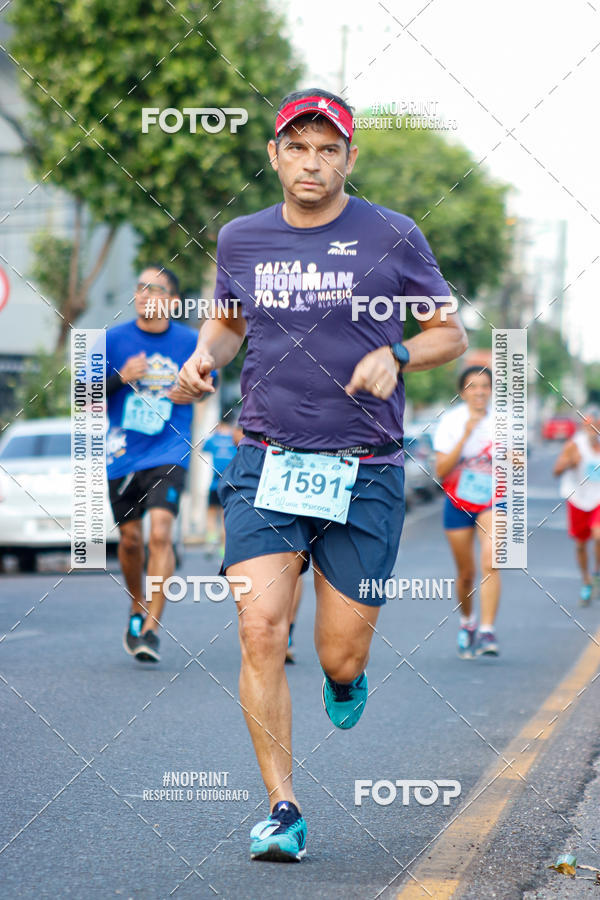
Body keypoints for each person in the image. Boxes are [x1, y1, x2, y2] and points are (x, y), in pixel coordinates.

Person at [178, 88, 467, 862]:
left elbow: (450, 333)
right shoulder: (241, 238)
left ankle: (345, 679)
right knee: (259, 627)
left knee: (341, 653)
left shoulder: (392, 234)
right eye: (298, 147)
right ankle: (283, 807)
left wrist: (399, 351)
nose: (312, 162)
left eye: (328, 148)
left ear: (349, 158)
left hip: (365, 468)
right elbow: (230, 320)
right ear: (274, 154)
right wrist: (206, 355)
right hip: (266, 459)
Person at [106, 265, 205, 663]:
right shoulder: (112, 340)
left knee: (161, 532)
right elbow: (80, 394)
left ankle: (151, 627)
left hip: (169, 450)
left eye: (155, 289)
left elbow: (204, 382)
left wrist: (193, 386)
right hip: (122, 454)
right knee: (131, 540)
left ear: (173, 301)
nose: (145, 295)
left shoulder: (191, 341)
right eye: (140, 288)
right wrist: (119, 377)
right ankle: (136, 604)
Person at [434, 366, 500, 659]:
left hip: (492, 500)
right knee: (466, 573)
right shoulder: (451, 421)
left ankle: (487, 630)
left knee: (491, 560)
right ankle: (468, 622)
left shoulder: (504, 421)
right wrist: (466, 435)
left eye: (485, 386)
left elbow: (519, 468)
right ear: (463, 393)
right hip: (458, 501)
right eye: (473, 386)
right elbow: (440, 471)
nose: (480, 392)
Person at [553, 408, 600, 605]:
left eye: (597, 426)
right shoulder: (575, 445)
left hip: (598, 498)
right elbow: (556, 471)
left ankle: (597, 572)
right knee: (581, 544)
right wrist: (571, 462)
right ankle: (586, 580)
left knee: (598, 535)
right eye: (590, 426)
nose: (593, 430)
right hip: (578, 498)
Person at [202, 418, 238, 553]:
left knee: (211, 513)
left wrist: (215, 432)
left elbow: (203, 447)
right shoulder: (234, 438)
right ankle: (223, 550)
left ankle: (211, 542)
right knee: (225, 516)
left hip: (214, 484)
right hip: (229, 484)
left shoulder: (214, 439)